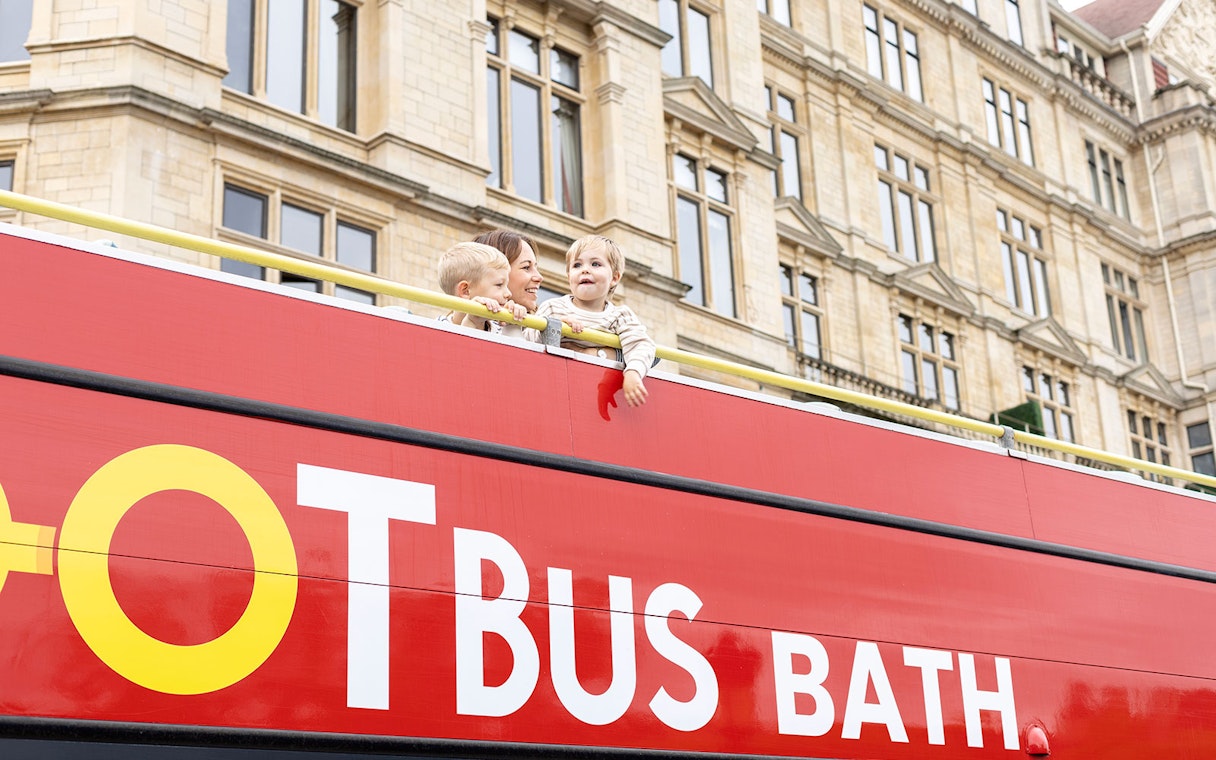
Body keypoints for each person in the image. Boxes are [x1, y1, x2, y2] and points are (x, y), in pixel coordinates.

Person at [527, 235, 655, 407]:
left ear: (615, 278)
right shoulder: (553, 308)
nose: (585, 270)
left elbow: (641, 345)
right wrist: (553, 325)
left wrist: (633, 372)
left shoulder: (620, 316)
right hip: (556, 386)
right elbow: (528, 340)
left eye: (595, 264)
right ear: (568, 276)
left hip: (597, 392)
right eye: (577, 265)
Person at [436, 241, 525, 333]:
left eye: (506, 285)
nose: (508, 294)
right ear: (465, 291)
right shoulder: (436, 330)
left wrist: (512, 327)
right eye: (499, 285)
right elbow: (461, 346)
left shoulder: (500, 329)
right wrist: (471, 323)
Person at [473, 229, 543, 338]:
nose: (539, 277)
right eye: (526, 267)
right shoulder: (449, 326)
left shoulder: (539, 331)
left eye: (536, 267)